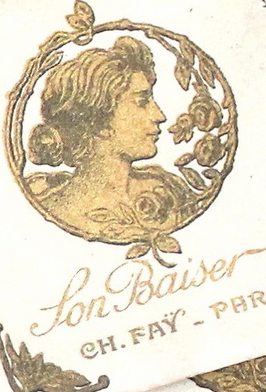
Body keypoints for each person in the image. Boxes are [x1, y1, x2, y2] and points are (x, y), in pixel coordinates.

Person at [25, 36, 196, 242]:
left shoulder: (169, 191)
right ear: (97, 120)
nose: (160, 115)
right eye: (142, 101)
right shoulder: (55, 210)